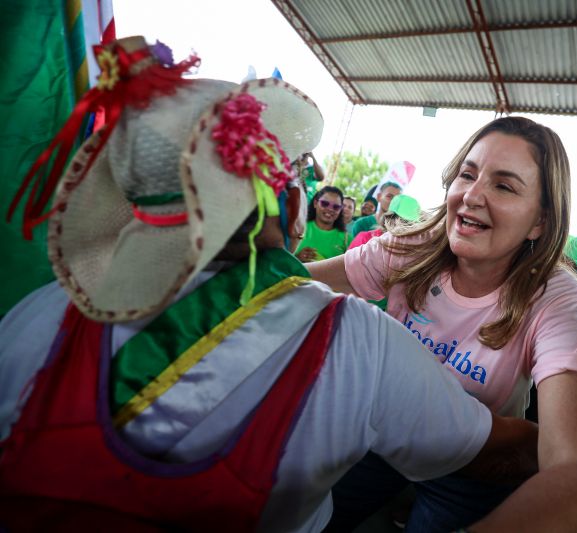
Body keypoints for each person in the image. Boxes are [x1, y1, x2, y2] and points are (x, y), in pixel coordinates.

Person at [0, 37, 541, 531]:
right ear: (284, 201)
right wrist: (575, 451)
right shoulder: (355, 344)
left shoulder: (43, 315)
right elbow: (491, 450)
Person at [310, 116, 577, 532]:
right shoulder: (412, 247)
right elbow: (295, 285)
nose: (471, 195)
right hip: (379, 435)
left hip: (474, 466)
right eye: (467, 174)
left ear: (540, 221)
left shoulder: (559, 298)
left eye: (503, 185)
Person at [295, 185, 352, 262]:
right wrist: (296, 258)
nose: (330, 209)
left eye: (336, 207)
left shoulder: (347, 239)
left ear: (340, 210)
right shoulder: (298, 228)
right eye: (325, 204)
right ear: (315, 203)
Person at [348, 193, 421, 250]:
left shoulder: (413, 250)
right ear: (389, 218)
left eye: (409, 224)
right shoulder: (365, 238)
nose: (404, 228)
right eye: (401, 220)